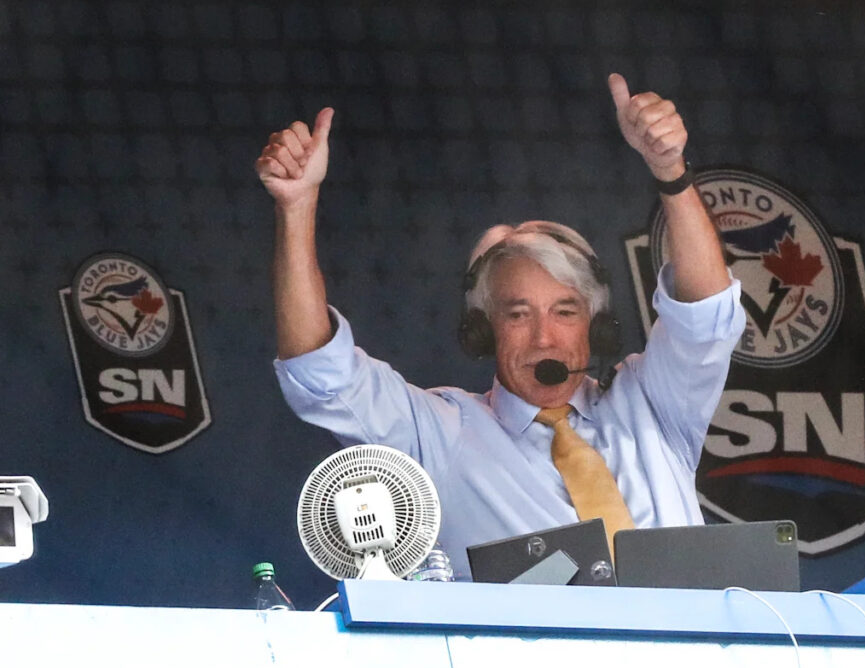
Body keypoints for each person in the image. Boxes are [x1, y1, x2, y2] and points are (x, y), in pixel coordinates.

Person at [256, 74, 745, 580]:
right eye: (517, 314)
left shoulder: (653, 404)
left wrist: (670, 171)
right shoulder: (441, 432)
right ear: (482, 329)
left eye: (565, 311)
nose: (543, 337)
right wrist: (296, 207)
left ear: (595, 325)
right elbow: (320, 371)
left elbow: (706, 312)